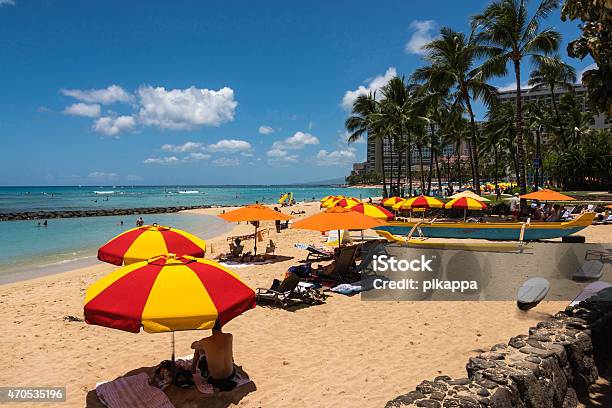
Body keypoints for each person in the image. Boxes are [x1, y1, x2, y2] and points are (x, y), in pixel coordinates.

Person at [190, 321, 236, 391]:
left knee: (198, 349)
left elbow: (192, 346)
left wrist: (198, 342)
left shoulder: (206, 341)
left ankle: (192, 369)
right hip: (231, 374)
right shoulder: (229, 336)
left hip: (214, 378)